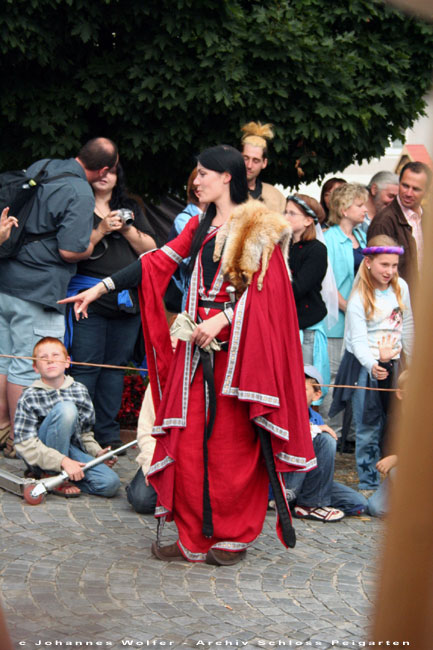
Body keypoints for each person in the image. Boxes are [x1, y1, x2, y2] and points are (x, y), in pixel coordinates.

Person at [60, 144, 316, 566]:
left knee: (232, 446)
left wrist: (223, 319)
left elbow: (267, 295)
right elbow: (156, 260)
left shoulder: (257, 226)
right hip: (196, 351)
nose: (196, 182)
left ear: (226, 177)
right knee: (192, 440)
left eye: (202, 174)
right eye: (196, 175)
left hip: (239, 357)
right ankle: (195, 536)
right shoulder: (200, 224)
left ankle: (232, 537)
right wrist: (101, 287)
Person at [0, 137, 118, 458]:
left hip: (7, 278)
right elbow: (70, 250)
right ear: (104, 169)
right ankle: (21, 443)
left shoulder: (44, 166)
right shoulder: (80, 192)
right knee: (27, 367)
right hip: (38, 288)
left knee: (5, 360)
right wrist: (94, 240)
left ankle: (2, 431)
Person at [67, 163, 156, 451]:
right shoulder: (79, 204)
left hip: (125, 300)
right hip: (87, 295)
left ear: (119, 178)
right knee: (86, 365)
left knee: (115, 368)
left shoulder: (131, 206)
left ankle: (108, 434)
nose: (105, 176)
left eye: (113, 172)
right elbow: (73, 249)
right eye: (100, 170)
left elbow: (152, 250)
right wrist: (102, 228)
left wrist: (127, 228)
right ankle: (80, 432)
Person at [330, 236, 413, 490]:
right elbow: (357, 340)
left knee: (396, 422)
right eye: (384, 265)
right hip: (367, 368)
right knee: (368, 425)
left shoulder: (401, 287)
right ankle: (369, 483)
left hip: (395, 366)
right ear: (368, 262)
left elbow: (407, 326)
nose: (389, 271)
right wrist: (372, 365)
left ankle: (399, 478)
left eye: (394, 265)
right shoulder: (359, 299)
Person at [14, 337, 120, 498]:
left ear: (67, 362)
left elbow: (85, 434)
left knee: (109, 484)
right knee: (67, 409)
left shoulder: (79, 390)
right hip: (42, 455)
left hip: (72, 450)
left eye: (56, 355)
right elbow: (24, 443)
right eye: (43, 358)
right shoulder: (29, 395)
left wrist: (98, 453)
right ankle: (50, 474)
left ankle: (64, 477)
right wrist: (62, 461)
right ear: (35, 367)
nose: (50, 360)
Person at [283, 365, 366, 521]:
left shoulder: (315, 417)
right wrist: (312, 429)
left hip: (309, 482)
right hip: (287, 478)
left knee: (357, 502)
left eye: (303, 389)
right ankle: (310, 505)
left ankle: (306, 501)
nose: (295, 391)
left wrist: (314, 426)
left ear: (316, 395)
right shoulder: (280, 411)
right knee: (325, 438)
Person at [321, 183, 368, 442]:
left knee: (354, 378)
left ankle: (351, 436)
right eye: (359, 205)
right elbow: (327, 285)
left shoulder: (361, 238)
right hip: (337, 322)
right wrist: (351, 310)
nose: (364, 209)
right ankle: (333, 435)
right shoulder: (329, 239)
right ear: (343, 208)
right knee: (334, 381)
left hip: (357, 322)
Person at [284, 194, 330, 396]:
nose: (285, 216)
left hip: (305, 327)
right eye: (285, 211)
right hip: (285, 325)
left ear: (308, 220)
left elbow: (299, 287)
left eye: (292, 213)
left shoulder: (316, 250)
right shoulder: (282, 246)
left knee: (305, 386)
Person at [367, 161, 432, 290]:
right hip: (398, 302)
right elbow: (376, 274)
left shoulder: (428, 218)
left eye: (416, 189)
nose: (408, 193)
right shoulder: (384, 221)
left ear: (426, 191)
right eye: (405, 186)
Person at [240, 121, 286, 213]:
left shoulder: (275, 196)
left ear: (264, 163)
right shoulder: (225, 191)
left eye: (255, 160)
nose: (249, 165)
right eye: (246, 158)